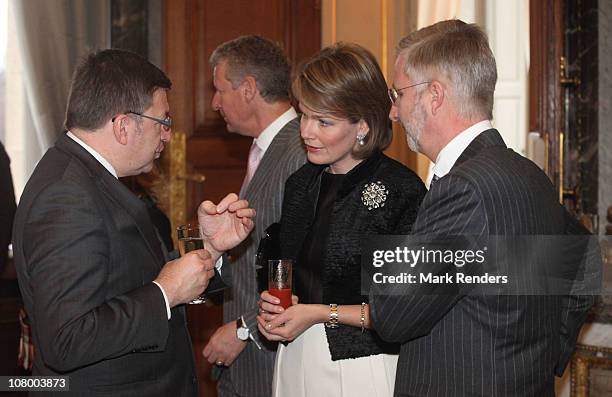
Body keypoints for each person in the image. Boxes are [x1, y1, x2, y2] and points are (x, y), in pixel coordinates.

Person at [368, 20, 595, 396]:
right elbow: (585, 258)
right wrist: (547, 354)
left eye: (399, 94)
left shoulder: (461, 189)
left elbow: (392, 317)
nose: (394, 112)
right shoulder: (529, 173)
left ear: (433, 96)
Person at [12, 49, 255, 397]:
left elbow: (128, 280)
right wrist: (164, 293)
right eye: (164, 122)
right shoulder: (67, 196)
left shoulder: (90, 179)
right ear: (124, 125)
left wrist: (208, 246)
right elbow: (67, 339)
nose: (168, 136)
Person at [257, 43, 426, 397]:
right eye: (303, 114)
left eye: (324, 121)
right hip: (294, 356)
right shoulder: (301, 183)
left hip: (363, 364)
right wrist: (273, 306)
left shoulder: (399, 190)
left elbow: (401, 309)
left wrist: (319, 314)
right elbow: (291, 274)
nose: (306, 132)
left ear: (362, 125)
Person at [201, 35, 306, 397]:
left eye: (219, 90)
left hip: (272, 362)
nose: (214, 103)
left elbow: (299, 264)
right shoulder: (267, 146)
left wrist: (245, 328)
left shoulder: (301, 151)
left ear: (247, 89)